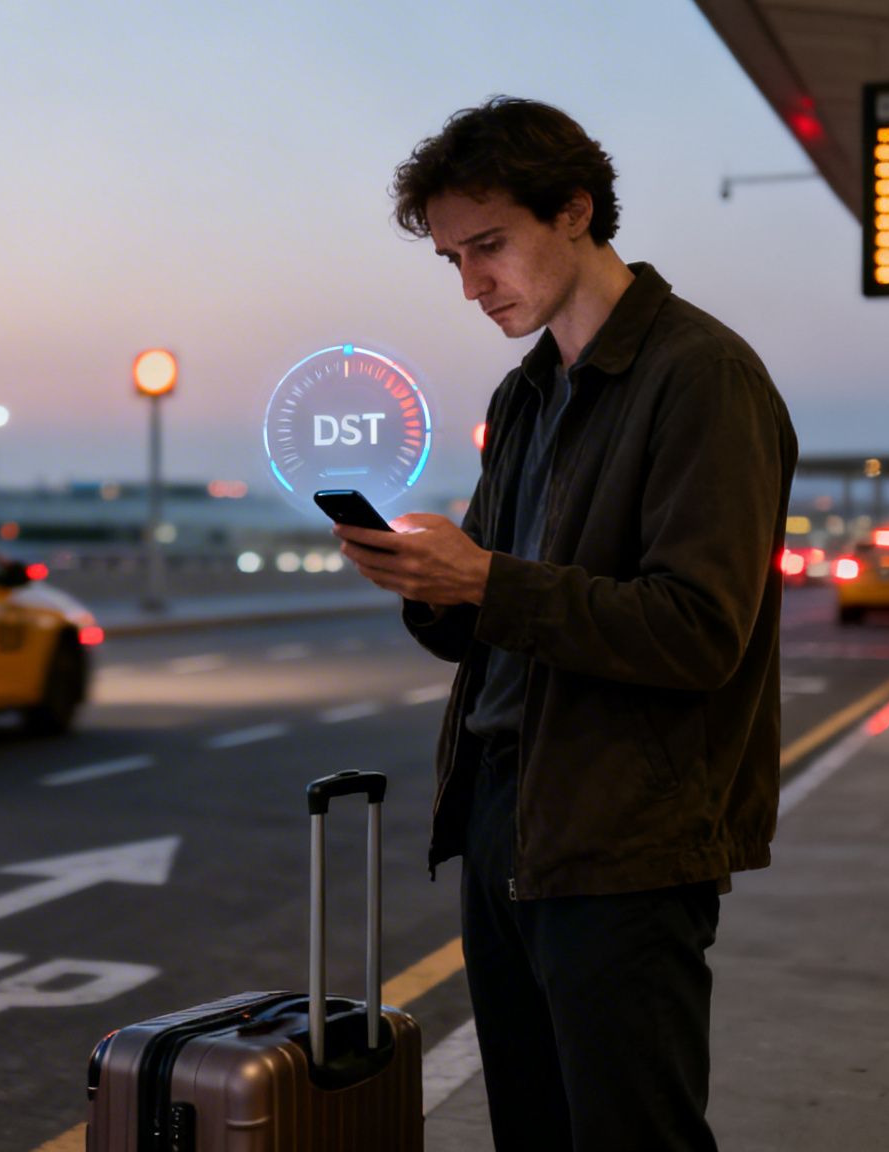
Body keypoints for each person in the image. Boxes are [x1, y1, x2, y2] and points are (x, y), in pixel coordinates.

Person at [332, 97, 796, 1151]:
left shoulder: (700, 377)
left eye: (487, 246)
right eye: (450, 258)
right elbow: (486, 626)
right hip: (508, 810)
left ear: (575, 211)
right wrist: (424, 582)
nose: (469, 284)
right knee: (532, 1134)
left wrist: (485, 580)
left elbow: (696, 631)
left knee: (631, 1135)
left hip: (625, 830)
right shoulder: (529, 392)